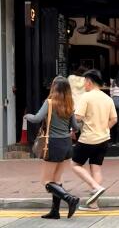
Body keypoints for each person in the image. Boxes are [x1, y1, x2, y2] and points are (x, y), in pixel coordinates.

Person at [26, 76, 80, 219]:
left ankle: (70, 199)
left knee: (46, 181)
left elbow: (37, 118)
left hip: (53, 144)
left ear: (54, 88)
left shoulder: (49, 102)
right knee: (56, 179)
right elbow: (76, 127)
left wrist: (27, 116)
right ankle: (55, 212)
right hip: (67, 144)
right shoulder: (70, 104)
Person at [71, 69, 117, 208]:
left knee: (75, 165)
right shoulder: (107, 98)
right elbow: (114, 119)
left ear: (89, 82)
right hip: (103, 139)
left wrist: (72, 119)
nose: (84, 85)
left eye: (85, 82)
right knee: (96, 169)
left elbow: (78, 117)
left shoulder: (86, 97)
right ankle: (93, 204)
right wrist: (104, 129)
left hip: (88, 138)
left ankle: (96, 187)